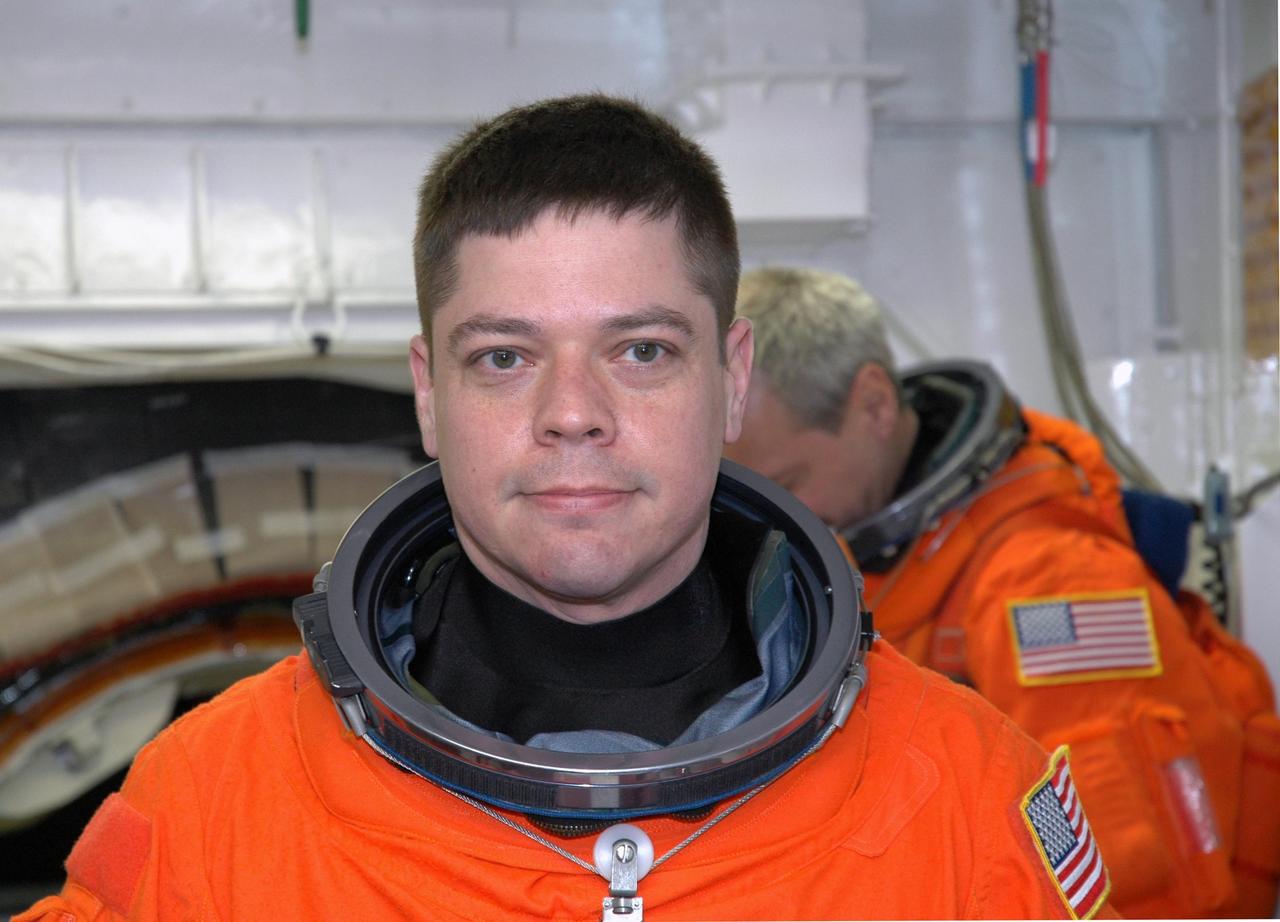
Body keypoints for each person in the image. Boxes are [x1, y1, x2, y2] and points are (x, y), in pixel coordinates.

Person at [18, 97, 1116, 921]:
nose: (573, 414)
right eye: (505, 356)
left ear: (732, 380)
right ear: (429, 395)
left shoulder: (969, 799)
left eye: (641, 351)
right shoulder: (209, 812)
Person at [726, 265, 1280, 919]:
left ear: (874, 404)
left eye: (790, 482)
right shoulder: (870, 554)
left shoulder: (1049, 585)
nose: (785, 516)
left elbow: (1128, 880)